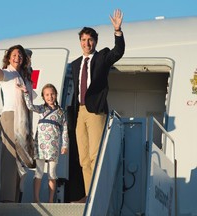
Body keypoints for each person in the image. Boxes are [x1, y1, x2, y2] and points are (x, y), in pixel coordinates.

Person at [70, 9, 125, 203]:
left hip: (95, 111)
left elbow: (118, 52)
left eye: (90, 40)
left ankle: (97, 194)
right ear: (80, 42)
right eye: (84, 40)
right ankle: (88, 195)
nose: (87, 43)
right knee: (83, 159)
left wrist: (117, 30)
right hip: (81, 112)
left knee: (95, 155)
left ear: (95, 42)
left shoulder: (102, 57)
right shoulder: (76, 64)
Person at [0, 34, 35, 203]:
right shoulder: (7, 74)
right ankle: (7, 199)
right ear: (9, 58)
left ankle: (16, 197)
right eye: (14, 55)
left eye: (20, 55)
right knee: (10, 159)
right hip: (11, 117)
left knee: (21, 161)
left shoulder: (26, 80)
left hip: (25, 120)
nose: (17, 58)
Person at [17, 83, 69, 203]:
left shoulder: (61, 112)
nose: (50, 97)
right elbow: (30, 106)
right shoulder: (41, 108)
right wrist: (25, 92)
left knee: (52, 173)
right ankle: (36, 199)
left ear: (56, 95)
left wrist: (65, 145)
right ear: (43, 96)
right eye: (47, 95)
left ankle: (51, 200)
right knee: (39, 172)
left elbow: (65, 129)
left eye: (52, 94)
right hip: (40, 145)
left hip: (54, 145)